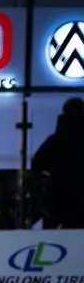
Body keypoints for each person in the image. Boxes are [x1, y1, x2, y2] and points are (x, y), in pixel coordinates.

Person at [31, 98, 84, 230]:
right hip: (80, 198)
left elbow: (37, 164)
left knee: (53, 237)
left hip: (56, 198)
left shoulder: (55, 140)